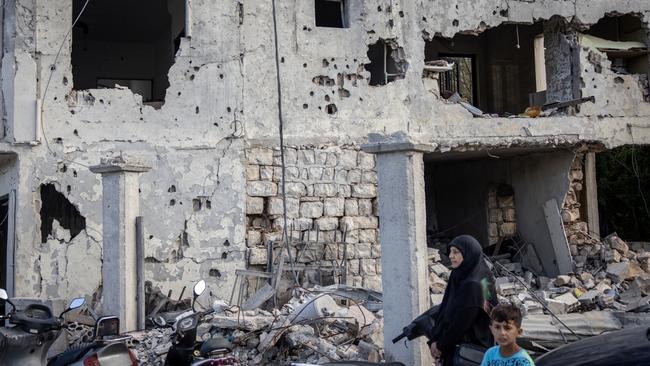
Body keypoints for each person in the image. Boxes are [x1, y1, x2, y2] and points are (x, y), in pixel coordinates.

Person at [429, 235, 498, 365]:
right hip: (470, 347)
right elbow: (446, 308)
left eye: (456, 252)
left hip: (469, 349)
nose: (450, 256)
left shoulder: (472, 284)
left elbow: (461, 323)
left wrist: (441, 346)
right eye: (450, 251)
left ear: (469, 254)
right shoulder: (478, 274)